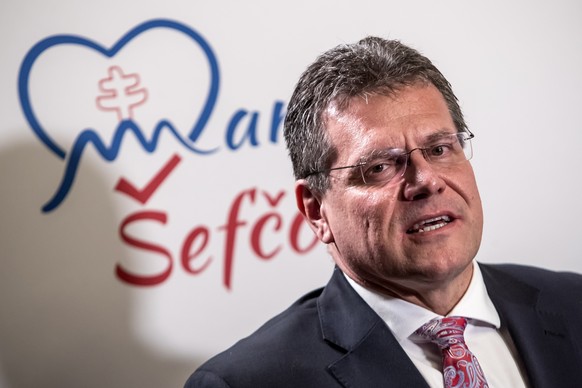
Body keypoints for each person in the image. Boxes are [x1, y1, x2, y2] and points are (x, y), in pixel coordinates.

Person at [185, 37, 582, 387]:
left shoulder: (574, 304)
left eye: (440, 149)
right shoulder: (249, 382)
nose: (426, 180)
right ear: (315, 210)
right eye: (380, 167)